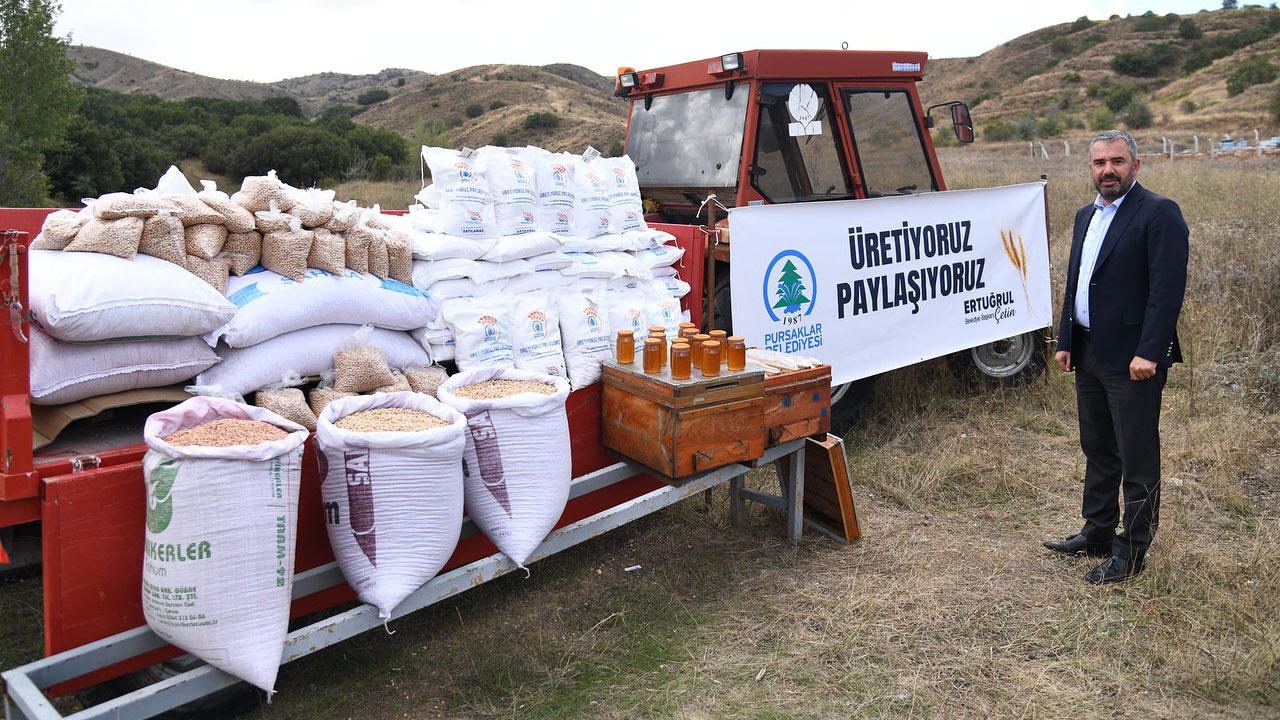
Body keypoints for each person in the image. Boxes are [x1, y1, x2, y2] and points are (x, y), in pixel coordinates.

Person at [1045, 129, 1189, 584]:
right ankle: (1098, 532)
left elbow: (1166, 292)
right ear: (1090, 168)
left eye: (1117, 161)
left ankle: (1132, 553)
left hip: (1133, 361)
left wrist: (1150, 351)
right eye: (1099, 162)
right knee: (1098, 447)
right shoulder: (1085, 216)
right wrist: (1065, 338)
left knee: (1137, 456)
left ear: (1135, 166)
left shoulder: (1159, 213)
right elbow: (1077, 282)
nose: (1108, 170)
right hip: (1088, 352)